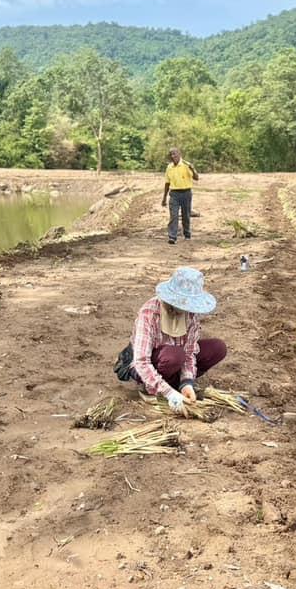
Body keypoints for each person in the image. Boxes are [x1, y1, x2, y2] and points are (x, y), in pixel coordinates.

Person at [114, 267, 226, 414]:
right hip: (152, 362)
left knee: (217, 348)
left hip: (175, 358)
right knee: (174, 356)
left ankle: (178, 384)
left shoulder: (190, 315)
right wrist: (168, 393)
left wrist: (187, 382)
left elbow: (189, 353)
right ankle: (153, 388)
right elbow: (141, 361)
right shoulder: (150, 313)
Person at [161, 147, 198, 244]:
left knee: (186, 215)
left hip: (186, 193)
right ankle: (172, 237)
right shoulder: (169, 167)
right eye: (171, 154)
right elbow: (167, 183)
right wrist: (164, 198)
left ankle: (187, 234)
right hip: (174, 194)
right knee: (173, 216)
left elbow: (196, 178)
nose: (173, 156)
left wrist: (193, 169)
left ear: (179, 154)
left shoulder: (186, 165)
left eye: (175, 154)